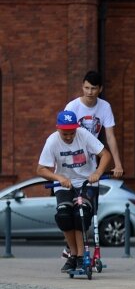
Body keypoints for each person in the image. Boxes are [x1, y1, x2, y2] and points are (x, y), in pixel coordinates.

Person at [36, 110, 111, 272]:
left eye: (72, 132)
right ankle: (73, 254)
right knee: (63, 216)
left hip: (86, 183)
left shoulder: (84, 135)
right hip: (64, 184)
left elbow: (105, 155)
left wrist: (97, 173)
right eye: (65, 133)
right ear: (58, 128)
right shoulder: (52, 141)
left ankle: (81, 256)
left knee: (81, 215)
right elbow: (41, 169)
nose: (69, 137)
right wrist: (58, 178)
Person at [65, 70, 124, 178]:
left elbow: (110, 137)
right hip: (70, 163)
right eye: (86, 88)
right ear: (82, 87)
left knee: (89, 194)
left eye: (93, 88)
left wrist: (118, 164)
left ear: (100, 89)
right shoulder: (72, 107)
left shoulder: (105, 107)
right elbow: (63, 135)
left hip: (90, 165)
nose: (89, 92)